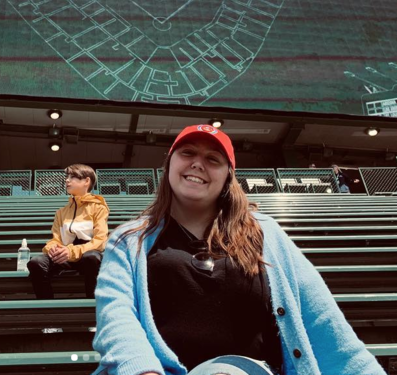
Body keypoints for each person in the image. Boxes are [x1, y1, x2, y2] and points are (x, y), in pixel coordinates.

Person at [92, 124, 385, 375]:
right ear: (169, 163)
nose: (198, 163)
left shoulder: (266, 232)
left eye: (213, 159)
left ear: (228, 177)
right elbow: (116, 316)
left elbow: (323, 321)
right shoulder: (128, 239)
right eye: (188, 153)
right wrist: (144, 370)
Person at [27, 164, 108, 299]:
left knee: (92, 258)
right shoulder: (61, 212)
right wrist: (52, 249)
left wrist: (71, 252)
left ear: (86, 181)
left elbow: (100, 241)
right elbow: (56, 239)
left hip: (86, 256)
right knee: (36, 262)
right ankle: (48, 306)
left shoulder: (98, 207)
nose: (67, 180)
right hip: (63, 256)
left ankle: (93, 305)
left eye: (73, 177)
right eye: (67, 177)